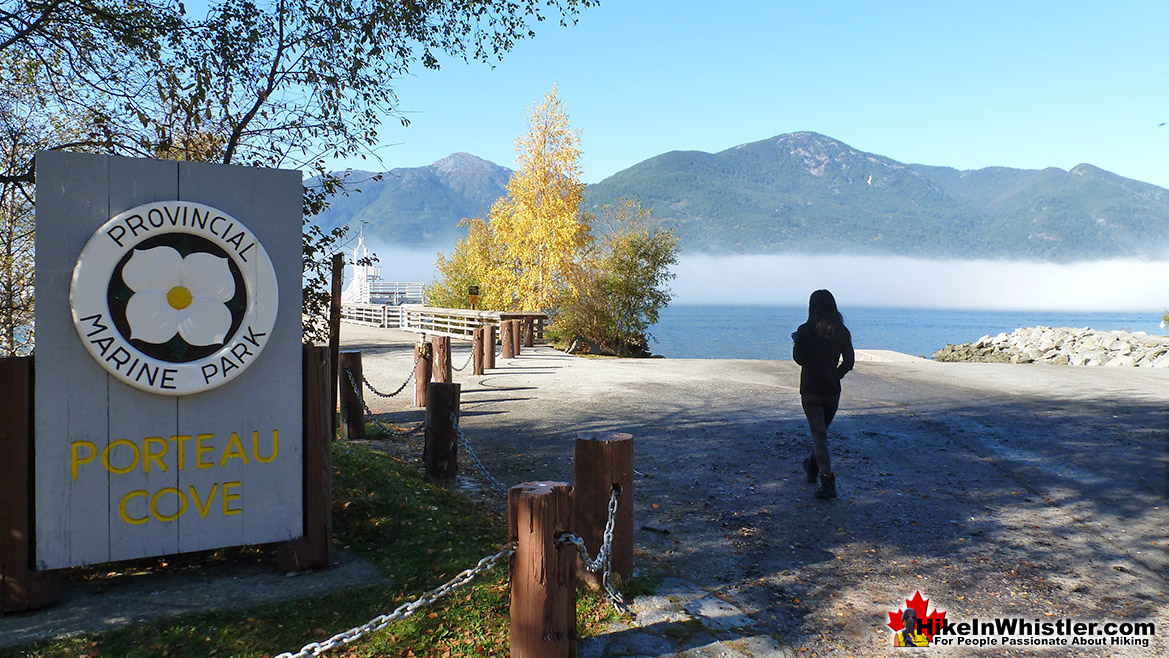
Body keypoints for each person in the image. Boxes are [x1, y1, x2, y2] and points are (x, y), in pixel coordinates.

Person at [792, 289, 854, 499]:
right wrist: (836, 375)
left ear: (812, 308)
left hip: (810, 389)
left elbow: (800, 359)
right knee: (821, 434)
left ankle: (828, 482)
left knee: (819, 437)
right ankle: (812, 468)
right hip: (831, 390)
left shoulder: (804, 330)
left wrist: (797, 342)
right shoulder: (841, 332)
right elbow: (849, 362)